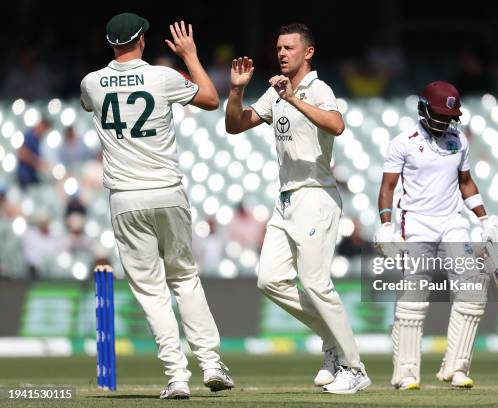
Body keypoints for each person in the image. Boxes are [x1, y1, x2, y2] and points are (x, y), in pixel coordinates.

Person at [79, 13, 233, 399]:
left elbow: (88, 105)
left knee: (151, 291)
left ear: (111, 43)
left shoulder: (92, 83)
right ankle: (212, 364)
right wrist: (191, 55)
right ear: (142, 40)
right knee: (184, 278)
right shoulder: (162, 77)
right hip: (167, 191)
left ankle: (177, 376)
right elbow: (212, 99)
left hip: (126, 199)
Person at [225, 23, 370, 394]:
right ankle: (334, 344)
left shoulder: (318, 89)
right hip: (286, 198)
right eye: (278, 48)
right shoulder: (275, 92)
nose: (282, 53)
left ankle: (355, 368)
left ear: (308, 52)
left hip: (316, 195)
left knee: (317, 283)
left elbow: (337, 125)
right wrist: (237, 92)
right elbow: (235, 125)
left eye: (289, 47)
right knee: (269, 279)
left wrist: (293, 99)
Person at [374, 81, 498, 390]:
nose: (444, 121)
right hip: (417, 223)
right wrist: (385, 224)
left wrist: (484, 218)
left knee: (473, 287)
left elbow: (466, 182)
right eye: (439, 114)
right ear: (423, 109)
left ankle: (455, 369)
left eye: (449, 116)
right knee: (413, 297)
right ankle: (406, 373)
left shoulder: (458, 140)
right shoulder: (403, 142)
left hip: (452, 223)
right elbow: (387, 188)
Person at [17, 118, 50, 189]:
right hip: (25, 176)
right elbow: (22, 153)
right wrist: (37, 163)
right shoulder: (28, 136)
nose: (44, 132)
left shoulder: (39, 140)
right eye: (44, 129)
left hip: (33, 175)